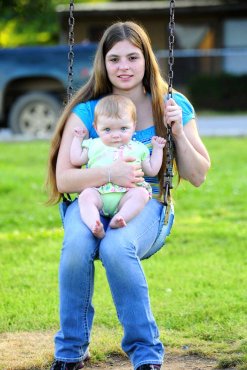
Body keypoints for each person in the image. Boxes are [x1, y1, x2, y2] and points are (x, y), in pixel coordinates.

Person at [46, 21, 210, 370]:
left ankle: (146, 355)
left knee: (117, 247)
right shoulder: (89, 111)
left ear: (146, 59)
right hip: (91, 198)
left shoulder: (172, 104)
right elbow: (63, 178)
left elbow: (198, 175)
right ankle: (71, 349)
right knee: (76, 245)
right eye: (114, 58)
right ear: (103, 64)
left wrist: (177, 131)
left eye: (132, 57)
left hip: (145, 203)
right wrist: (109, 173)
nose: (124, 67)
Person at [70, 94, 166, 238]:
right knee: (85, 196)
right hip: (99, 194)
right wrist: (77, 139)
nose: (116, 135)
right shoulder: (93, 144)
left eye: (123, 128)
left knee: (142, 194)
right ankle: (94, 224)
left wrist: (157, 149)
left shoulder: (139, 148)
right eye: (107, 129)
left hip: (127, 195)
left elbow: (152, 170)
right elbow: (76, 159)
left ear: (133, 126)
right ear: (96, 128)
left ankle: (121, 217)